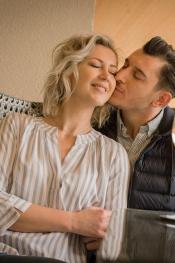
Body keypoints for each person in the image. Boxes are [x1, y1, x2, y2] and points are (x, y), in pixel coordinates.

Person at [0, 34, 129, 263]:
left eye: (112, 71)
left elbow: (109, 243)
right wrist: (75, 222)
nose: (106, 77)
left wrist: (107, 237)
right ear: (69, 70)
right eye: (96, 65)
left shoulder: (113, 154)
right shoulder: (16, 125)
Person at [97, 36, 175, 214]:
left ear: (160, 99)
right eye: (125, 65)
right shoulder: (92, 123)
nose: (119, 76)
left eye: (137, 75)